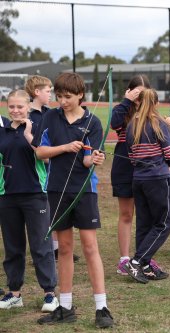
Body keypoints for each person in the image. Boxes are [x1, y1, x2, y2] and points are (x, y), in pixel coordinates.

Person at [34, 73, 113, 328]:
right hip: (57, 190)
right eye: (59, 96)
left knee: (90, 248)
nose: (62, 101)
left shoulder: (92, 122)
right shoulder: (50, 117)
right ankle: (65, 306)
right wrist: (66, 147)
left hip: (84, 191)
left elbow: (88, 159)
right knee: (65, 249)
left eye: (67, 97)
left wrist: (95, 159)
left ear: (80, 95)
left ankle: (102, 308)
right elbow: (40, 152)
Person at [0, 90, 58, 312]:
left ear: (27, 107)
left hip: (35, 195)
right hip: (8, 197)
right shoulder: (2, 132)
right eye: (12, 107)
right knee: (13, 247)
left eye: (20, 107)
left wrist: (30, 137)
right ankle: (14, 293)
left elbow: (44, 155)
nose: (16, 111)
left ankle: (49, 293)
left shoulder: (38, 128)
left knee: (40, 246)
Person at [24, 74, 80, 263]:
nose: (51, 96)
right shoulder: (28, 115)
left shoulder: (49, 113)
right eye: (49, 92)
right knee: (40, 213)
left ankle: (54, 248)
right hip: (35, 170)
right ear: (36, 92)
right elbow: (35, 145)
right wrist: (51, 154)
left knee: (52, 211)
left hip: (51, 168)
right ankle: (42, 249)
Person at [110, 74, 161, 276]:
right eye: (136, 94)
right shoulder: (122, 110)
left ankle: (143, 257)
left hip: (148, 170)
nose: (139, 99)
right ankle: (124, 259)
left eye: (142, 94)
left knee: (146, 215)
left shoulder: (153, 114)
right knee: (126, 214)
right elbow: (114, 124)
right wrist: (127, 101)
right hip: (124, 168)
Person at [123, 88, 170, 283]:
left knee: (144, 223)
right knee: (164, 223)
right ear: (156, 103)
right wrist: (166, 165)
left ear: (138, 102)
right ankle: (137, 261)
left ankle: (144, 266)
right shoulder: (158, 122)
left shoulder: (131, 125)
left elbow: (131, 156)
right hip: (158, 178)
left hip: (139, 178)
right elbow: (169, 152)